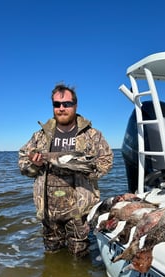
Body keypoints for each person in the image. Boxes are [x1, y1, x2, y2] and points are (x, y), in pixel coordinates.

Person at [18, 83, 113, 257]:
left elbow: (107, 160)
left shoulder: (92, 135)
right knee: (52, 256)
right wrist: (35, 165)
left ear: (75, 105)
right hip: (48, 210)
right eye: (57, 104)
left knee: (80, 256)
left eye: (67, 104)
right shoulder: (40, 136)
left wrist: (84, 168)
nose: (62, 108)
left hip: (79, 211)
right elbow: (23, 163)